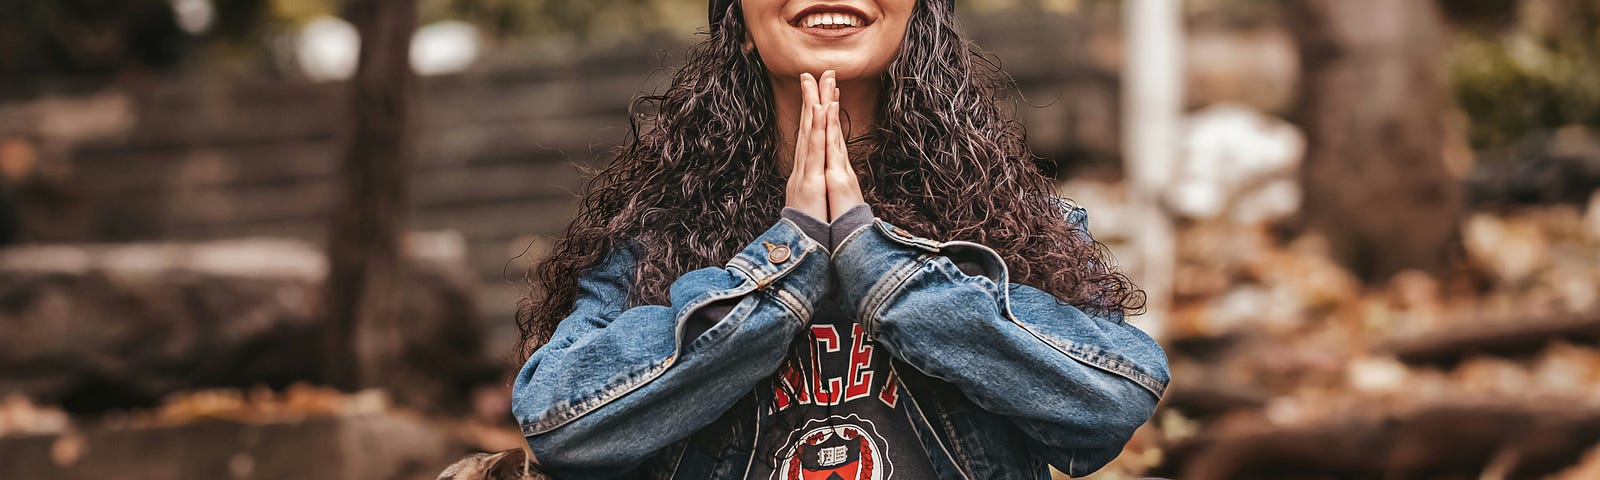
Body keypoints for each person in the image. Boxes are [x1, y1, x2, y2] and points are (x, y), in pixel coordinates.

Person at [508, 0, 1169, 478]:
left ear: (918, 18)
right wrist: (780, 267)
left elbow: (1108, 405)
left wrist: (878, 265)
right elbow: (560, 425)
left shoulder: (1014, 228)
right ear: (739, 23)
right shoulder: (651, 240)